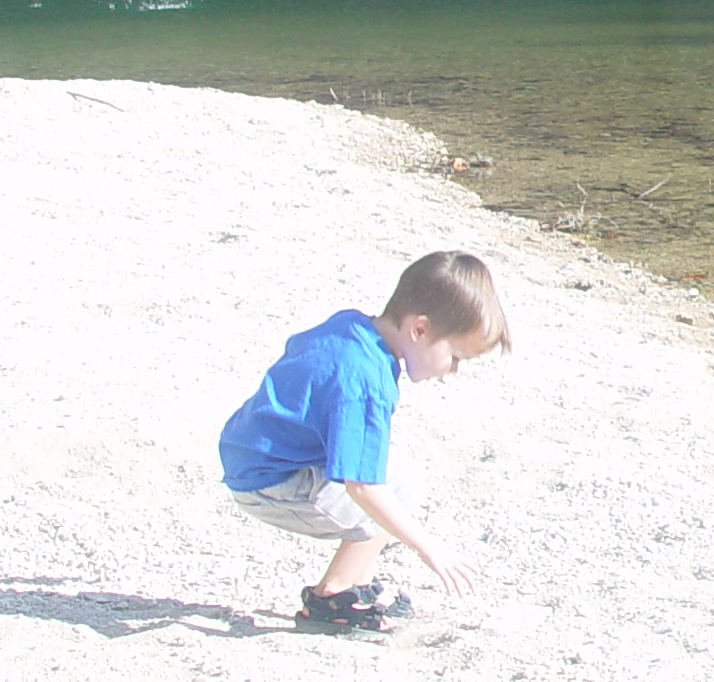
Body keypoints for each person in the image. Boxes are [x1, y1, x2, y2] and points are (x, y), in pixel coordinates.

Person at [218, 251, 509, 632]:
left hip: (251, 450)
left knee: (400, 475)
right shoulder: (366, 381)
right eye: (454, 356)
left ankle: (356, 582)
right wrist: (429, 548)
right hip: (270, 482)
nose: (453, 370)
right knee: (388, 494)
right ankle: (332, 599)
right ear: (419, 330)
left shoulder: (352, 327)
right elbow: (362, 488)